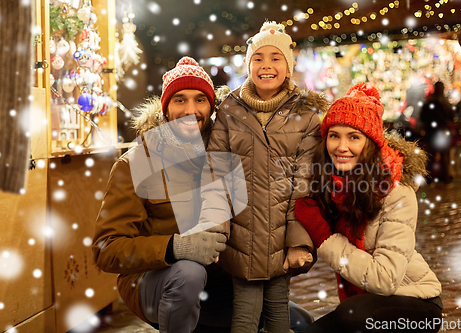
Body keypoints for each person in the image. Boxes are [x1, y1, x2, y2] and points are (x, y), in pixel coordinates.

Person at [92, 56, 313, 333]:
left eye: (200, 100)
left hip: (219, 280)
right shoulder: (135, 163)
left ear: (211, 106)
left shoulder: (226, 154)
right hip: (156, 281)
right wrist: (175, 247)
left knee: (300, 323)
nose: (190, 110)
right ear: (165, 107)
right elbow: (106, 249)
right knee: (188, 272)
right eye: (179, 100)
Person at [197, 21, 329, 333]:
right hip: (242, 234)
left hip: (282, 234)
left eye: (275, 58)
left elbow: (305, 182)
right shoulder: (230, 109)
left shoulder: (306, 113)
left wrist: (297, 241)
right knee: (244, 316)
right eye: (258, 58)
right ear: (248, 64)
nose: (266, 65)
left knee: (277, 314)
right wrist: (216, 232)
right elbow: (216, 172)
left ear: (289, 65)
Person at [294, 83, 443, 333]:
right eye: (334, 135)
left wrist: (324, 237)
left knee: (352, 316)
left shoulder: (395, 192)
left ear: (371, 143)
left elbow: (384, 280)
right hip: (365, 303)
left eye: (354, 137)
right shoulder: (334, 186)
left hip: (417, 304)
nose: (342, 147)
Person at [420, 81, 454, 183]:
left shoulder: (429, 102)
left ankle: (430, 178)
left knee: (431, 156)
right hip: (442, 132)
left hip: (432, 131)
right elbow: (451, 117)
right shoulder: (445, 102)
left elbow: (423, 116)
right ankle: (445, 178)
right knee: (444, 156)